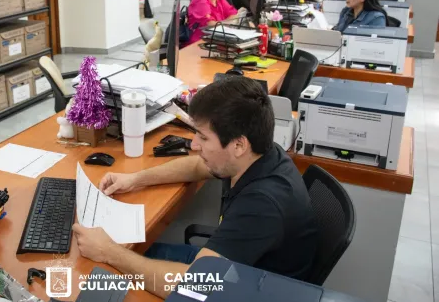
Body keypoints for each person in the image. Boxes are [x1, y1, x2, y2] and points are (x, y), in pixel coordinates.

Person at [72, 77, 318, 299]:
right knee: (125, 260)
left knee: (105, 274)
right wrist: (135, 179)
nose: (193, 145)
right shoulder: (257, 154)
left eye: (203, 137)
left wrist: (107, 251)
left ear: (238, 145)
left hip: (249, 290)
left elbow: (196, 286)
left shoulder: (263, 205)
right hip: (234, 269)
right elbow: (197, 167)